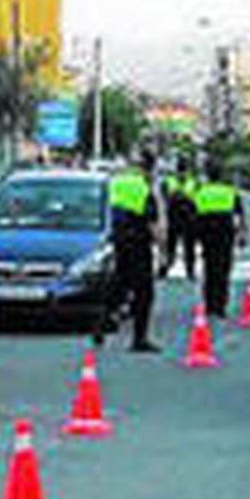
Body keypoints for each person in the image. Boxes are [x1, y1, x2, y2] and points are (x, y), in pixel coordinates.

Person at [96, 150, 161, 352]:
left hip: (120, 241)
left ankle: (101, 324)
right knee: (145, 292)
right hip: (139, 243)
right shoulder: (144, 188)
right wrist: (162, 247)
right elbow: (152, 223)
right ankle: (139, 339)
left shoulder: (117, 182)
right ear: (148, 168)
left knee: (119, 283)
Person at [194, 159, 242, 318]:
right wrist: (241, 234)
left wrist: (195, 236)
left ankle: (209, 305)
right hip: (225, 235)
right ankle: (220, 306)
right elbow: (238, 215)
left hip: (207, 235)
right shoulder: (230, 191)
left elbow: (194, 215)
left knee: (209, 269)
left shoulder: (200, 192)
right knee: (223, 270)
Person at [161, 158, 199, 280]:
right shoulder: (169, 181)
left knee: (189, 247)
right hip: (174, 218)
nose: (182, 173)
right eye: (180, 170)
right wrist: (183, 197)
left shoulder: (194, 183)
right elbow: (166, 197)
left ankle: (190, 270)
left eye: (184, 171)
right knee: (170, 246)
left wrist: (179, 196)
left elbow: (197, 200)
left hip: (189, 220)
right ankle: (165, 268)